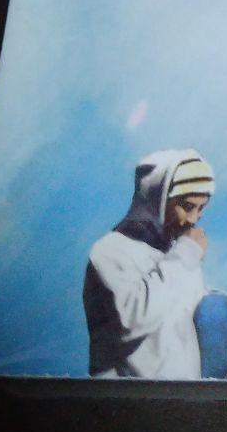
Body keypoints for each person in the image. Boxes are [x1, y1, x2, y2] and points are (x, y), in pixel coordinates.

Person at [83, 148, 215, 379]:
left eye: (201, 208)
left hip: (179, 398)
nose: (193, 219)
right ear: (157, 200)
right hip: (125, 397)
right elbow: (129, 322)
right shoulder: (109, 251)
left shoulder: (178, 255)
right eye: (187, 206)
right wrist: (186, 255)